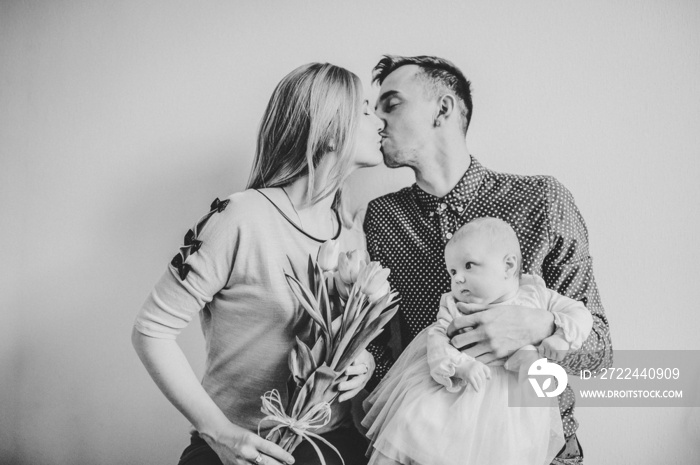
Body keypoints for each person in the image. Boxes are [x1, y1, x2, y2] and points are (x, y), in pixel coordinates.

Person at [363, 55, 613, 464]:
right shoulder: (383, 218)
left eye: (391, 104)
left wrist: (540, 326)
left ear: (443, 109)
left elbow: (602, 351)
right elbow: (383, 346)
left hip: (538, 450)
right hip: (427, 450)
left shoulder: (542, 201)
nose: (377, 121)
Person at [132, 62, 383, 465]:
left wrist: (363, 361)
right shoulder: (240, 217)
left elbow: (347, 336)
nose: (380, 121)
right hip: (238, 451)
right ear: (331, 130)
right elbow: (151, 331)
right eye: (367, 111)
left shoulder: (352, 233)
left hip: (333, 448)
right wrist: (220, 434)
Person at [362, 218, 593, 465]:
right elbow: (436, 340)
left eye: (468, 265)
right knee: (412, 422)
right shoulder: (457, 307)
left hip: (512, 412)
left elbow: (581, 314)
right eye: (452, 271)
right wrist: (460, 365)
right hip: (458, 397)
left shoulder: (536, 295)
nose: (458, 279)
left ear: (508, 265)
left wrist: (561, 335)